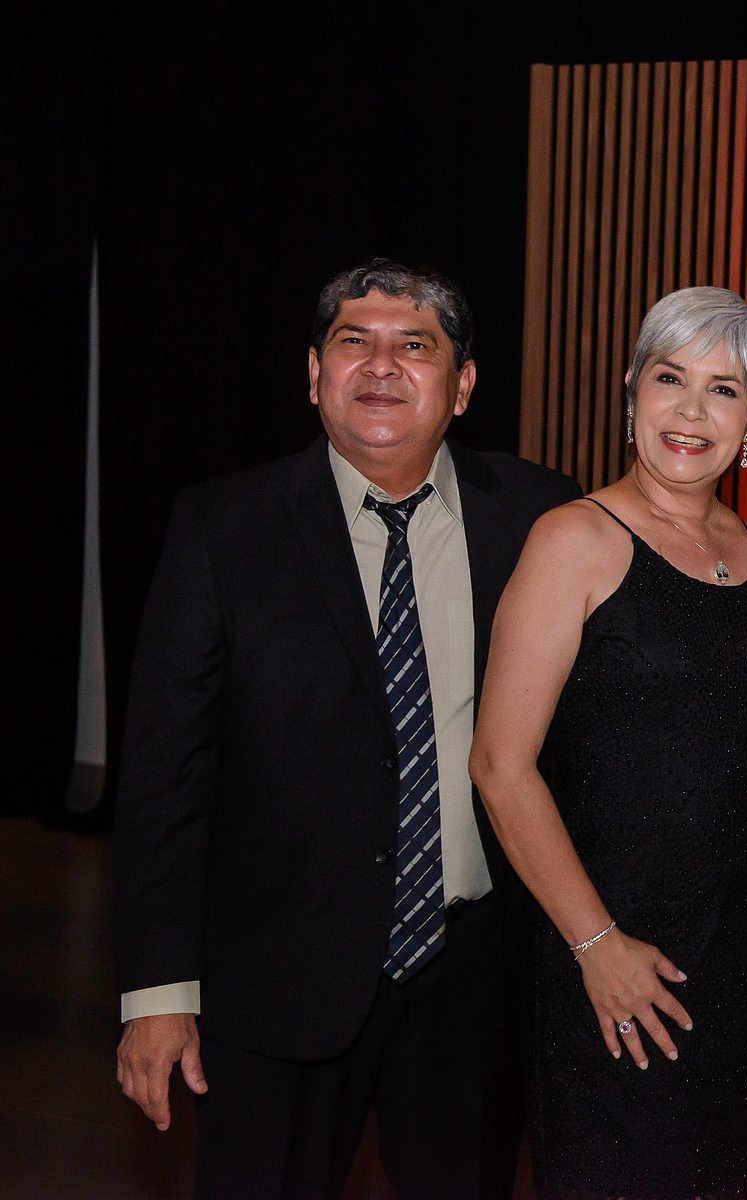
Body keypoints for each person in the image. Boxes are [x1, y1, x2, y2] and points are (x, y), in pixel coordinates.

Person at [113, 259, 581, 1200]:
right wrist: (158, 993)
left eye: (416, 346)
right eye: (353, 341)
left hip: (474, 980)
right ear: (314, 373)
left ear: (463, 386)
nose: (381, 365)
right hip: (275, 978)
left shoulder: (541, 517)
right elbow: (165, 775)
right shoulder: (223, 527)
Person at [469, 286, 747, 1200]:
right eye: (670, 378)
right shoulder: (573, 539)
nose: (691, 410)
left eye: (724, 390)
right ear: (631, 392)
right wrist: (597, 945)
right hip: (612, 954)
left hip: (743, 962)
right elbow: (500, 765)